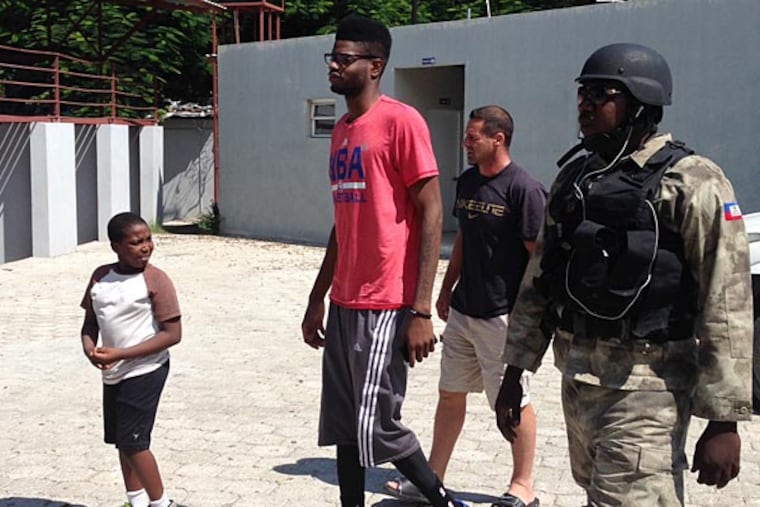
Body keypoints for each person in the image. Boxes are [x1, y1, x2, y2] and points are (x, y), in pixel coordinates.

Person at [494, 43, 753, 506]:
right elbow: (540, 280)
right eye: (583, 93)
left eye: (603, 92)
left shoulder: (693, 180)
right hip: (579, 383)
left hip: (648, 390)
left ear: (640, 102)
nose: (587, 103)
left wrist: (723, 419)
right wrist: (515, 371)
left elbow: (727, 298)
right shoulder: (577, 178)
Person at [300, 14, 469, 507]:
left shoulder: (401, 121)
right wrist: (317, 299)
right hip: (345, 300)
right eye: (332, 55)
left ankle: (445, 502)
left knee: (378, 421)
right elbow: (342, 222)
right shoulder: (342, 130)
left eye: (344, 58)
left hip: (385, 301)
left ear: (375, 66)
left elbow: (433, 210)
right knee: (345, 422)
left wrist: (419, 310)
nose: (333, 64)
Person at [385, 106, 545, 507]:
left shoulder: (524, 189)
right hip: (463, 311)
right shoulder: (470, 182)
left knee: (513, 403)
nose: (466, 144)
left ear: (498, 139)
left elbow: (537, 260)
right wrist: (445, 287)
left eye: (473, 138)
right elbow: (462, 240)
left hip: (502, 316)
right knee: (450, 392)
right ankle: (431, 479)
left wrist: (531, 318)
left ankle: (522, 487)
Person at [80, 212, 182, 507]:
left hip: (146, 368)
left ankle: (162, 503)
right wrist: (90, 350)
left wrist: (122, 354)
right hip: (112, 372)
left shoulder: (155, 279)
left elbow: (173, 334)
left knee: (134, 442)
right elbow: (90, 323)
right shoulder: (100, 277)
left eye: (148, 239)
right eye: (136, 242)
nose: (146, 247)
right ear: (116, 247)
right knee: (122, 442)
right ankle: (135, 501)